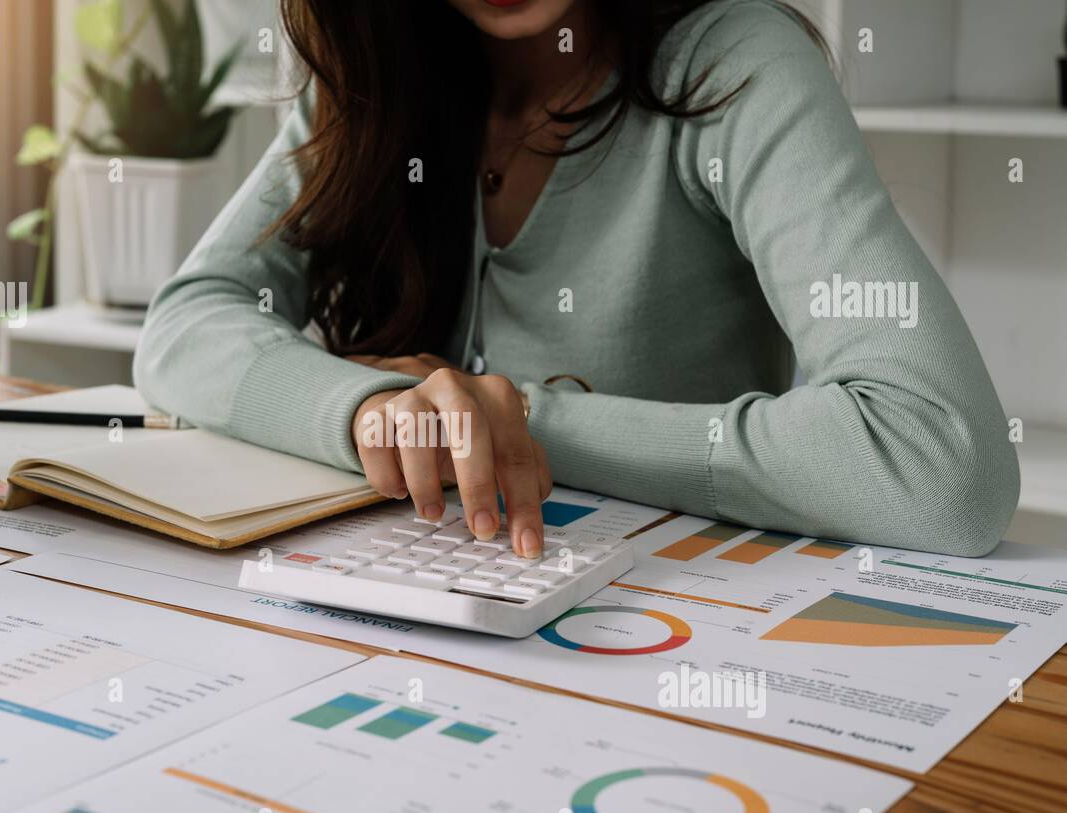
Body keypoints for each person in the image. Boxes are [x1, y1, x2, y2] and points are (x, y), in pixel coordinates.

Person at [134, 0, 1019, 560]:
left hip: (668, 635)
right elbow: (184, 327)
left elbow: (941, 464)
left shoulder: (734, 65)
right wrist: (370, 408)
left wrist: (519, 419)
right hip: (410, 608)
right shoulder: (376, 78)